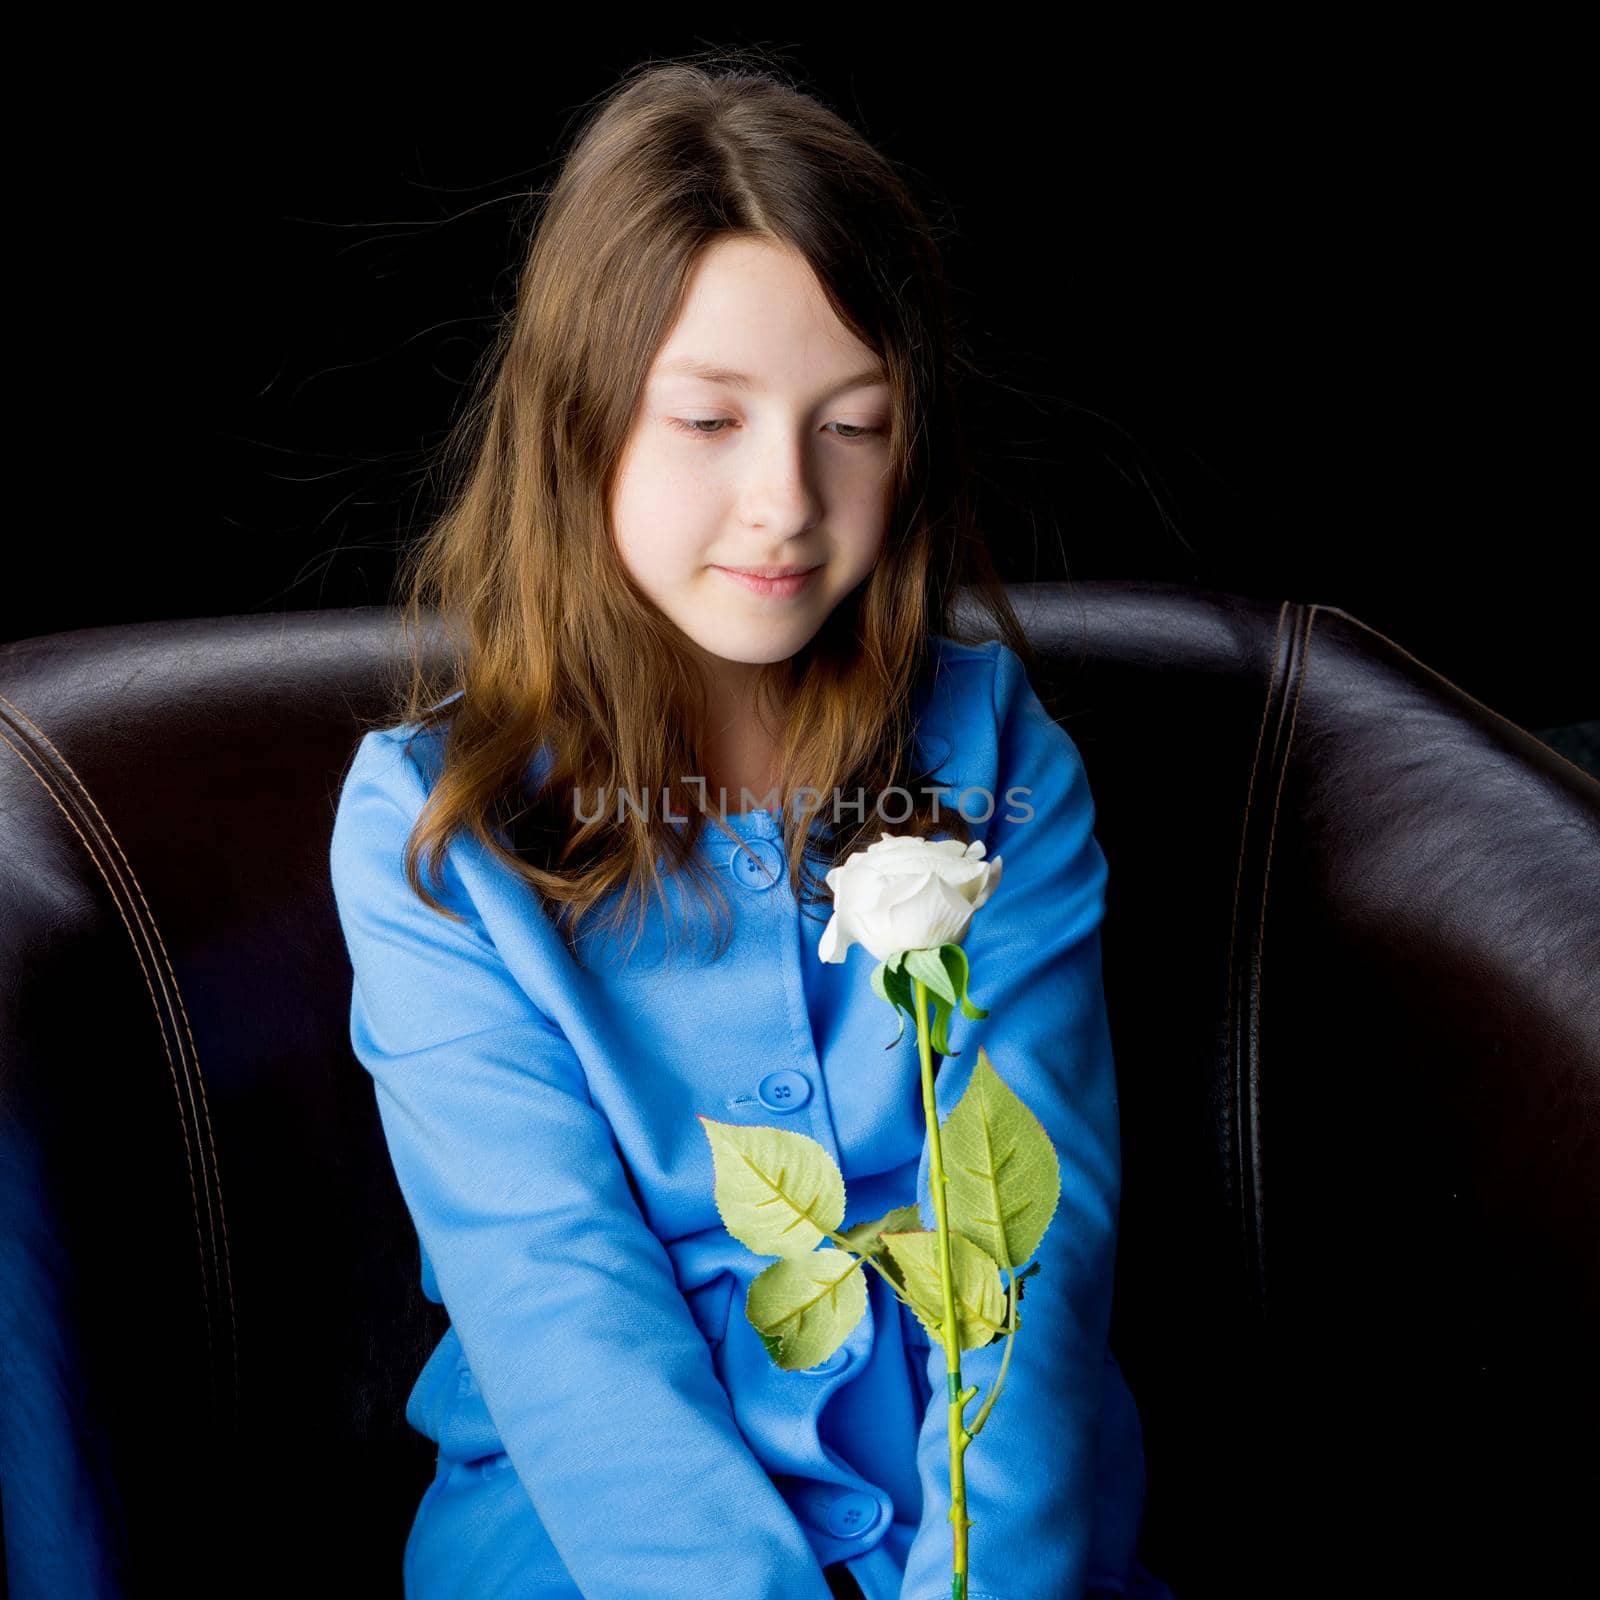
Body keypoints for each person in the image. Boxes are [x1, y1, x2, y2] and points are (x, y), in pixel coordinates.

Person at [328, 49, 1175, 1600]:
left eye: (851, 425)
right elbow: (562, 1311)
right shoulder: (433, 840)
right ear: (581, 422)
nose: (787, 498)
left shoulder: (1002, 761)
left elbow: (1033, 1244)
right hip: (589, 1553)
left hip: (989, 1538)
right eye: (709, 421)